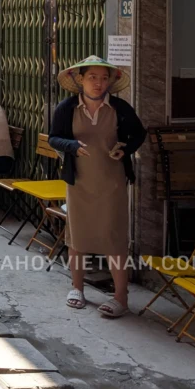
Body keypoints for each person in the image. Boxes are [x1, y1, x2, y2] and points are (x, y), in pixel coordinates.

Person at [48, 56, 146, 319]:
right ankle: (77, 289)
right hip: (79, 182)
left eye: (104, 78)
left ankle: (120, 297)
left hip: (112, 183)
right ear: (79, 79)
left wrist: (125, 149)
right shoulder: (67, 108)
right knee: (77, 237)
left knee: (114, 237)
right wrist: (72, 147)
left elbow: (139, 134)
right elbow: (54, 137)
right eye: (92, 77)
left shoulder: (120, 108)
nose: (98, 83)